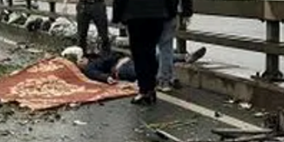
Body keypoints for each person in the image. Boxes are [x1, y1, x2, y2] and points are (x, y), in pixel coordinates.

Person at [112, 0, 176, 105]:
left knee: (140, 53)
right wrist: (170, 12)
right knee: (151, 50)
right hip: (156, 15)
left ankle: (144, 90)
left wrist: (116, 16)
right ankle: (151, 88)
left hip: (135, 16)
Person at [153, 0, 193, 92]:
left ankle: (153, 79)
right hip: (170, 12)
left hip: (150, 12)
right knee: (166, 46)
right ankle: (165, 80)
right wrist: (187, 13)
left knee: (149, 45)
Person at [66, 46, 207, 84]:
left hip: (128, 60)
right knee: (143, 72)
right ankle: (165, 80)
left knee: (155, 57)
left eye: (82, 58)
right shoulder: (90, 68)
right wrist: (106, 78)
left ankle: (185, 57)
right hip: (120, 69)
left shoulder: (94, 56)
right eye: (79, 61)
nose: (82, 60)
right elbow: (94, 74)